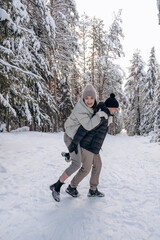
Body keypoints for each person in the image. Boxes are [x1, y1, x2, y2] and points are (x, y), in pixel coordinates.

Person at [50, 84, 110, 202]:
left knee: (84, 162)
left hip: (77, 137)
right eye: (86, 98)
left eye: (91, 98)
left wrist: (102, 108)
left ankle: (68, 155)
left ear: (94, 99)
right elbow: (88, 125)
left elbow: (97, 110)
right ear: (83, 99)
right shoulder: (80, 109)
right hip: (70, 137)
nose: (89, 101)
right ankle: (57, 186)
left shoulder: (91, 107)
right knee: (76, 164)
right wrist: (99, 115)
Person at [65, 93, 119, 198]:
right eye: (115, 109)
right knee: (86, 169)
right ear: (109, 107)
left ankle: (93, 189)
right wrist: (75, 143)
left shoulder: (106, 116)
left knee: (98, 165)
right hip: (87, 146)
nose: (116, 111)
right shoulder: (101, 116)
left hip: (94, 147)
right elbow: (84, 128)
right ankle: (72, 187)